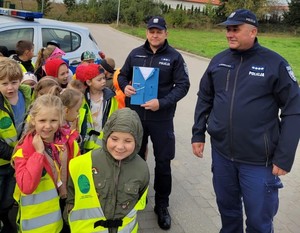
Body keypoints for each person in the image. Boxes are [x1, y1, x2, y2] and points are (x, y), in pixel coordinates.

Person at [191, 9, 300, 233]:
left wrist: (285, 156)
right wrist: (198, 133)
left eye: (235, 29)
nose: (229, 34)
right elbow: (205, 98)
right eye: (228, 29)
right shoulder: (219, 61)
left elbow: (293, 110)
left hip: (259, 162)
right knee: (228, 213)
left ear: (253, 32)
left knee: (259, 222)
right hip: (222, 156)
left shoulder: (274, 64)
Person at [118, 16, 190, 230]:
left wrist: (163, 102)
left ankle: (162, 205)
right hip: (136, 117)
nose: (155, 35)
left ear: (166, 33)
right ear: (146, 33)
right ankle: (136, 196)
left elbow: (183, 85)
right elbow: (122, 76)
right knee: (134, 158)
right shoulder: (135, 54)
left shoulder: (174, 57)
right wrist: (125, 88)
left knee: (163, 162)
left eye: (159, 31)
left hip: (161, 118)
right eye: (151, 31)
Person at [64, 107, 150, 233]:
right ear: (106, 137)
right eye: (114, 139)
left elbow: (140, 198)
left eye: (128, 141)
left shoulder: (141, 168)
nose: (120, 147)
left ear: (137, 142)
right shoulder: (84, 163)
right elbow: (72, 196)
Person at [12, 94, 80, 233]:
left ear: (61, 119)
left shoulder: (70, 143)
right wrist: (38, 154)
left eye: (53, 120)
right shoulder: (24, 150)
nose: (48, 126)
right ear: (33, 120)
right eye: (42, 120)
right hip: (41, 222)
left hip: (66, 206)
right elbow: (26, 186)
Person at [0, 57, 32, 233]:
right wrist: (15, 153)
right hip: (5, 161)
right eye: (4, 83)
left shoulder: (27, 95)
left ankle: (5, 219)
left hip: (17, 163)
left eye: (14, 82)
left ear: (20, 80)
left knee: (9, 198)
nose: (10, 87)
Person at [76, 63, 118, 151]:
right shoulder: (82, 98)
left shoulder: (111, 97)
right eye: (99, 79)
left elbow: (114, 116)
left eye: (104, 78)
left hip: (104, 140)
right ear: (89, 82)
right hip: (86, 142)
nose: (103, 81)